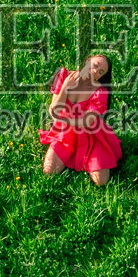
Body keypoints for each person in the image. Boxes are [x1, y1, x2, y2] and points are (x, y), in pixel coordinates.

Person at [39, 53, 121, 186]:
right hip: (64, 134)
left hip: (91, 135)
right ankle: (68, 154)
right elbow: (53, 109)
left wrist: (62, 119)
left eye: (101, 72)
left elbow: (86, 122)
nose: (95, 72)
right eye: (95, 65)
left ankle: (89, 159)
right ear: (88, 60)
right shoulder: (64, 76)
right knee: (49, 171)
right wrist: (65, 87)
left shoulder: (100, 92)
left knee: (101, 181)